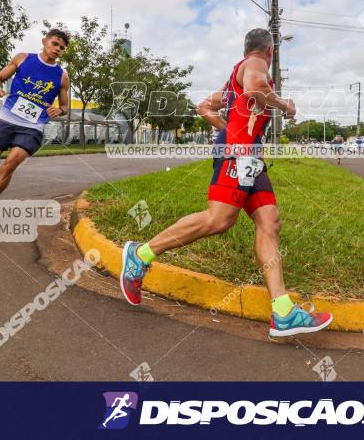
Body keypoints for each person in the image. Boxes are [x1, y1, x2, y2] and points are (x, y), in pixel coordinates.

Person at [118, 28, 333, 337]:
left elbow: (204, 107)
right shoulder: (257, 65)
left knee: (270, 222)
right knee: (219, 220)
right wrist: (286, 106)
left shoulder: (233, 79)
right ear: (269, 51)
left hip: (250, 157)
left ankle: (283, 312)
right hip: (238, 154)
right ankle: (140, 256)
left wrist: (229, 126)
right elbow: (257, 87)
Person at [0, 28, 71, 219]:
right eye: (55, 44)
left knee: (11, 164)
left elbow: (65, 105)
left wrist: (59, 110)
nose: (58, 49)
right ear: (44, 41)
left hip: (33, 126)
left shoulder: (62, 76)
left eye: (61, 47)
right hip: (7, 118)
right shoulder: (23, 58)